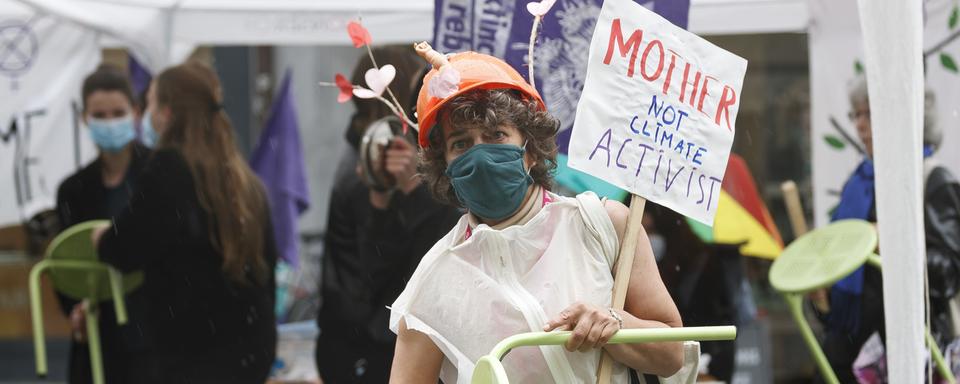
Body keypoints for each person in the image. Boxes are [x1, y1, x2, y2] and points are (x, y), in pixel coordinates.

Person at [388, 46, 684, 383]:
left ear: (530, 149)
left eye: (496, 135)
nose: (481, 154)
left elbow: (673, 355)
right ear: (446, 168)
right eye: (461, 144)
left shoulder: (605, 225)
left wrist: (616, 324)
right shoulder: (433, 279)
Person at [89, 61, 278, 383]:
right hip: (250, 349)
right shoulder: (244, 179)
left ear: (166, 113)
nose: (146, 114)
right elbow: (268, 264)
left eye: (149, 102)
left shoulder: (168, 169)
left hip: (191, 353)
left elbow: (124, 249)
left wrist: (102, 238)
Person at [316, 45, 462, 383]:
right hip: (373, 349)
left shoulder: (382, 160)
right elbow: (380, 272)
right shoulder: (370, 169)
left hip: (375, 345)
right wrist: (408, 194)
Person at [818, 77, 960, 382]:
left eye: (870, 114)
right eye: (856, 115)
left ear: (904, 117)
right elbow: (839, 265)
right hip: (850, 352)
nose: (860, 125)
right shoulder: (858, 183)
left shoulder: (932, 180)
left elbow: (947, 271)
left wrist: (896, 245)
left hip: (911, 352)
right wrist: (818, 287)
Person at [55, 64, 151, 384]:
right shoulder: (73, 189)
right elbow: (64, 264)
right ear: (85, 118)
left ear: (136, 112)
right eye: (100, 115)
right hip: (98, 336)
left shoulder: (158, 175)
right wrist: (75, 307)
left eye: (117, 112)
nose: (109, 122)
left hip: (153, 332)